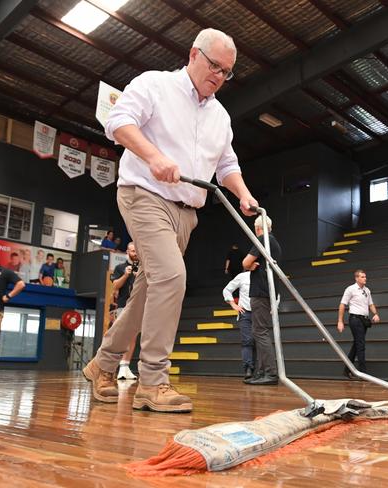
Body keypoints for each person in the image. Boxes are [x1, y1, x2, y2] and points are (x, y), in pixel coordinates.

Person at [83, 28, 258, 413]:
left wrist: (243, 194)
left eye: (227, 72)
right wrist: (153, 155)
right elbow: (119, 121)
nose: (219, 76)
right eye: (214, 66)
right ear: (193, 54)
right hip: (144, 195)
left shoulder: (220, 116)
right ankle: (152, 382)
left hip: (186, 213)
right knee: (172, 277)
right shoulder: (155, 85)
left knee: (149, 291)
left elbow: (227, 164)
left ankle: (103, 364)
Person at [242, 215, 281, 386]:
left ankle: (270, 373)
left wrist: (249, 265)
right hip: (267, 291)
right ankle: (262, 372)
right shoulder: (273, 242)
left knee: (260, 332)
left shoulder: (263, 239)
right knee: (259, 331)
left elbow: (245, 263)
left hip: (261, 292)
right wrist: (250, 265)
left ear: (257, 228)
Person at [337, 269, 380, 379]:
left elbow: (371, 304)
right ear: (356, 278)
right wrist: (340, 321)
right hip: (355, 319)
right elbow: (342, 305)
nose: (365, 278)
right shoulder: (350, 289)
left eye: (365, 276)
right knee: (360, 345)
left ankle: (347, 370)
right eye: (362, 277)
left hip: (364, 320)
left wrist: (375, 314)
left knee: (357, 345)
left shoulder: (367, 290)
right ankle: (363, 373)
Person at [110, 242, 139, 380]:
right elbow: (115, 285)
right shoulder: (119, 267)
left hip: (137, 305)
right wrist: (126, 275)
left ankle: (125, 366)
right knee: (121, 336)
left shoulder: (142, 268)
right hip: (123, 305)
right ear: (127, 251)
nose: (135, 253)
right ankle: (116, 367)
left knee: (133, 337)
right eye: (133, 251)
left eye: (136, 251)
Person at [222, 270, 254, 380]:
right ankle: (248, 369)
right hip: (245, 313)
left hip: (260, 313)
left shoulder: (264, 275)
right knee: (247, 341)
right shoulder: (243, 276)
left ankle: (262, 370)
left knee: (261, 342)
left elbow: (276, 295)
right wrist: (233, 304)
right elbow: (227, 290)